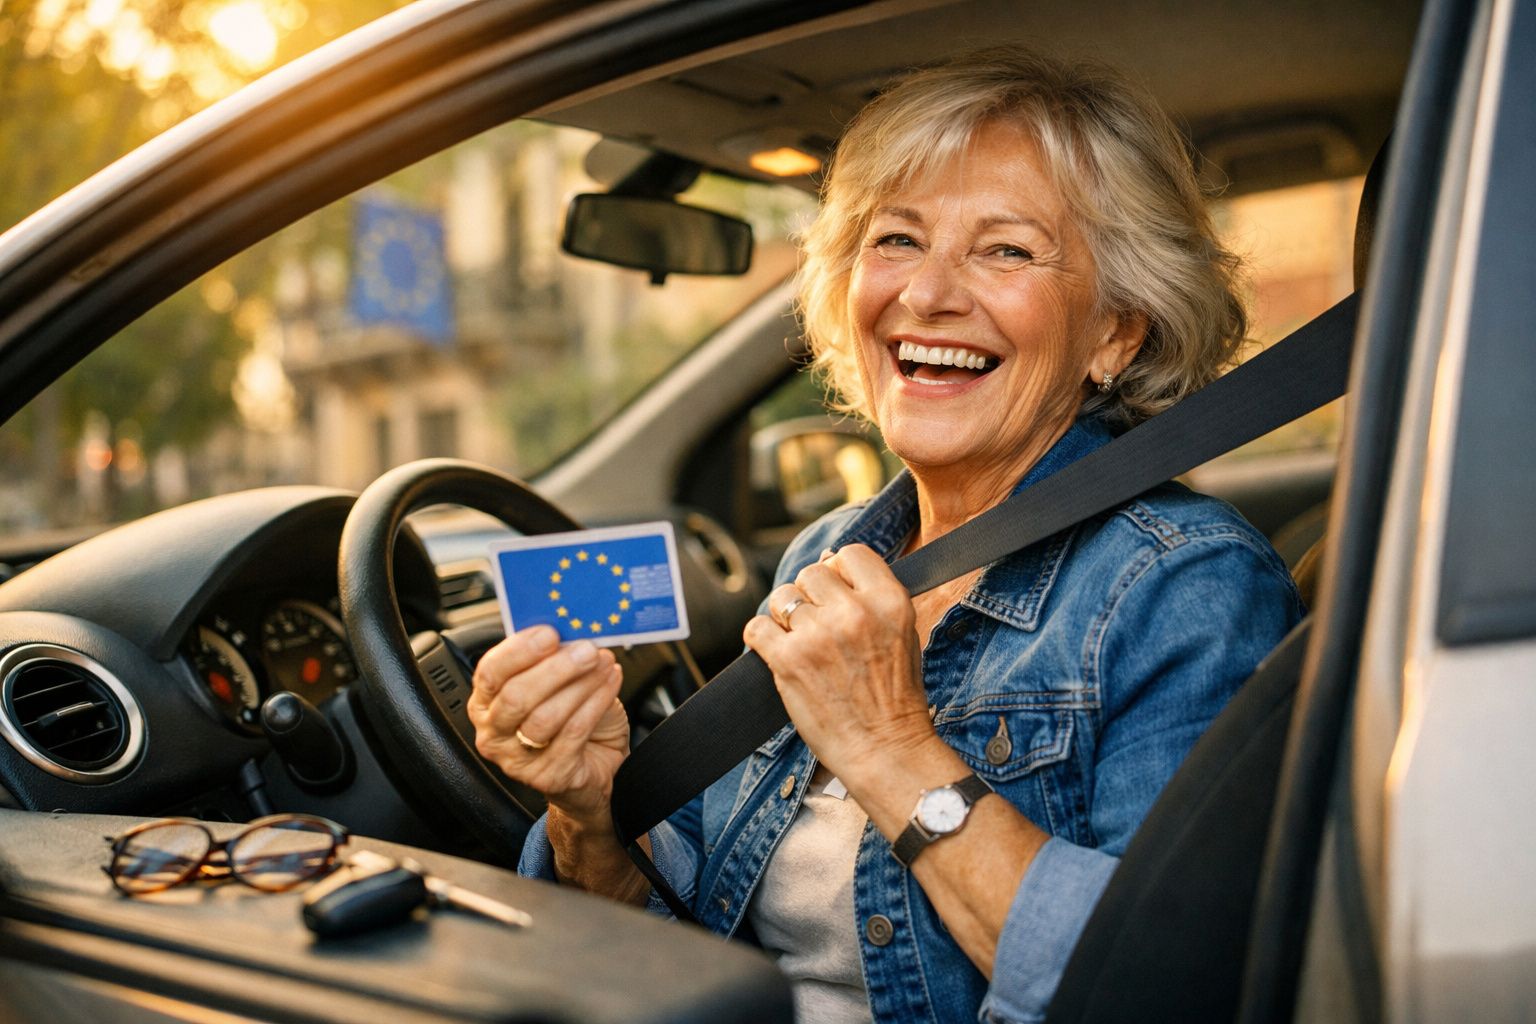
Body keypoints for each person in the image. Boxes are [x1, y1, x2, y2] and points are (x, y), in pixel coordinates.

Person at [467, 47, 1303, 1024]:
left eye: (1005, 249)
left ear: (1116, 331)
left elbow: (1161, 987)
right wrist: (589, 809)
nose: (929, 293)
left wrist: (890, 745)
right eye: (897, 239)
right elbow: (677, 946)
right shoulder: (828, 554)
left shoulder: (1188, 585)